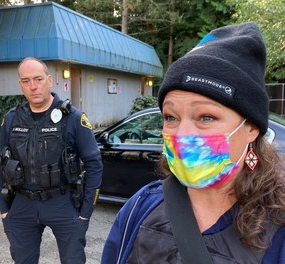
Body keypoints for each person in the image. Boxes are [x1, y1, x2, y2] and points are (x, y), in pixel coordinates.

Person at [101, 22, 285, 263]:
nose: (182, 134)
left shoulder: (278, 226)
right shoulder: (142, 205)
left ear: (251, 128)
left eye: (206, 117)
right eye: (170, 117)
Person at [0, 57, 103, 264]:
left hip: (62, 203)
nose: (33, 86)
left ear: (49, 80)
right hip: (22, 205)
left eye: (38, 79)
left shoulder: (72, 118)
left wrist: (85, 213)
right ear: (20, 85)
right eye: (26, 81)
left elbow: (94, 164)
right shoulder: (11, 119)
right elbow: (0, 161)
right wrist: (3, 208)